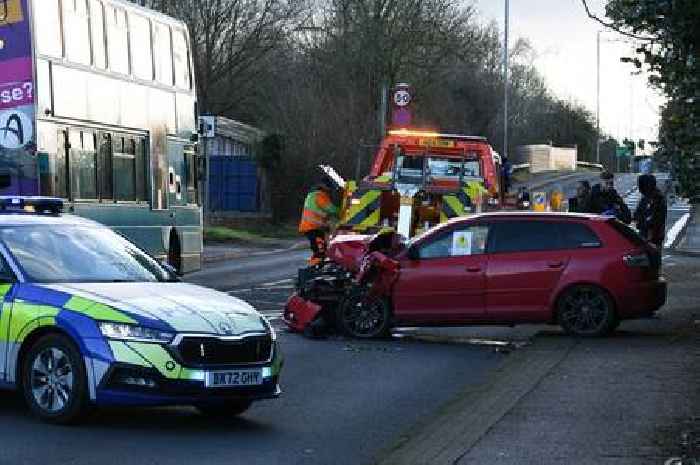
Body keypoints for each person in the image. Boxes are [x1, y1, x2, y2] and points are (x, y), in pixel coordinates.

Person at [298, 178, 339, 266]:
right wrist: (343, 211)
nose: (331, 191)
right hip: (313, 227)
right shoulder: (320, 195)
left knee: (320, 251)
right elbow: (330, 209)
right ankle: (312, 272)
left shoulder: (313, 195)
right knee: (320, 252)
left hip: (312, 227)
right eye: (330, 188)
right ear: (326, 187)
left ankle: (314, 270)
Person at [634, 174, 667, 248]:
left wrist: (642, 222)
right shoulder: (646, 197)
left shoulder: (657, 198)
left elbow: (654, 220)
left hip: (652, 237)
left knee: (652, 256)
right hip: (645, 234)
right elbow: (637, 213)